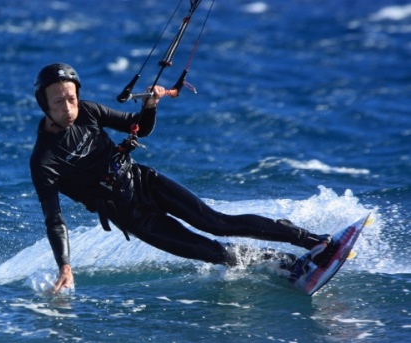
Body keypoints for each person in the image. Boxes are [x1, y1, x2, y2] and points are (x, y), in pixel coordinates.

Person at [30, 63, 336, 293]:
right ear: (45, 106)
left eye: (71, 98)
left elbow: (139, 127)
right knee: (216, 253)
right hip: (134, 217)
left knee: (216, 222)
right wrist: (65, 265)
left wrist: (150, 106)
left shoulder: (89, 111)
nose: (69, 107)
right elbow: (54, 219)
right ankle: (289, 265)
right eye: (59, 102)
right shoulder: (44, 160)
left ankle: (313, 241)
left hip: (144, 182)